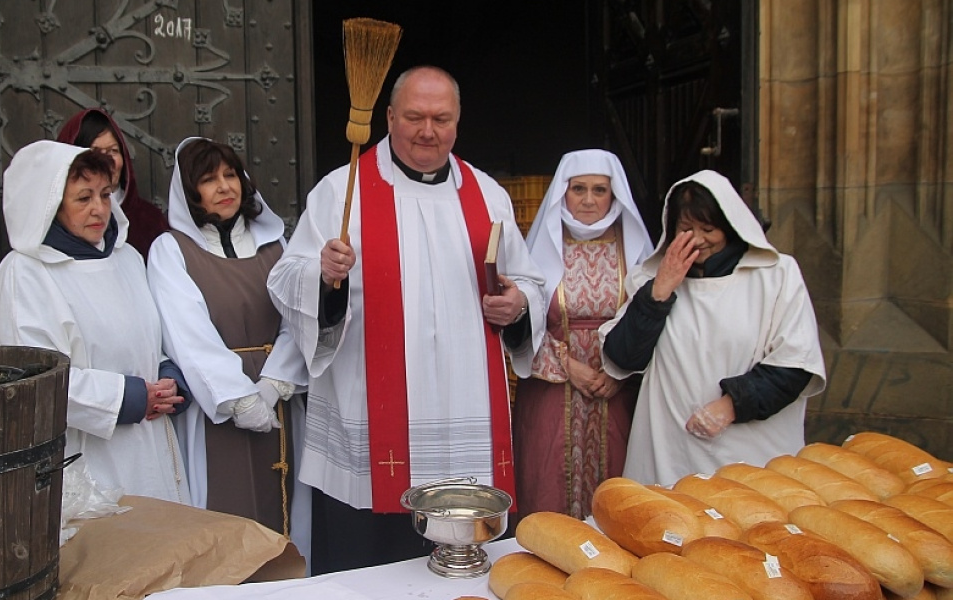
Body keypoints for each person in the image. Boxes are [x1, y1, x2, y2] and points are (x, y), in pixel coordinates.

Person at [267, 65, 545, 574]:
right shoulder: (341, 190)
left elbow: (527, 281)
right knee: (366, 568)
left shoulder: (488, 195)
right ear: (389, 117)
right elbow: (287, 279)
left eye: (441, 119)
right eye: (414, 117)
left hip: (463, 409)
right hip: (372, 417)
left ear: (458, 123)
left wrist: (518, 305)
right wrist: (326, 277)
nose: (427, 131)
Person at [0, 140, 191, 503]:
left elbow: (146, 341)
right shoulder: (25, 275)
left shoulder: (126, 258)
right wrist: (129, 398)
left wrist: (169, 377)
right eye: (83, 198)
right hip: (86, 459)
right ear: (48, 206)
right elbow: (35, 378)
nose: (99, 209)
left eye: (106, 194)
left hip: (151, 448)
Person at [600, 169, 826, 486]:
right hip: (671, 453)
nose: (698, 240)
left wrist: (731, 405)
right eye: (686, 228)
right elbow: (623, 357)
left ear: (730, 228)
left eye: (708, 228)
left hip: (752, 453)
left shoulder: (776, 276)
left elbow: (796, 363)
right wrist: (659, 292)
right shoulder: (650, 280)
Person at [146, 137, 312, 558]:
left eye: (230, 174)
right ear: (189, 192)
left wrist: (275, 381)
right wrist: (238, 398)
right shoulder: (171, 251)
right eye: (208, 179)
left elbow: (298, 319)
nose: (224, 186)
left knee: (288, 513)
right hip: (215, 407)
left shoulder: (277, 246)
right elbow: (186, 333)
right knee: (222, 513)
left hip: (280, 400)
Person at [514, 149, 654, 520]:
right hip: (552, 389)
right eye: (578, 189)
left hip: (616, 392)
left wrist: (620, 372)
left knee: (618, 494)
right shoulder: (543, 245)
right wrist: (567, 365)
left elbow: (649, 320)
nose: (589, 200)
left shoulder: (635, 249)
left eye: (599, 190)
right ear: (563, 192)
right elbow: (523, 318)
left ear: (614, 195)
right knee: (546, 486)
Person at [57, 108, 170, 259]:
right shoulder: (56, 225)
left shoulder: (150, 220)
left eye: (113, 151)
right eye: (94, 151)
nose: (107, 161)